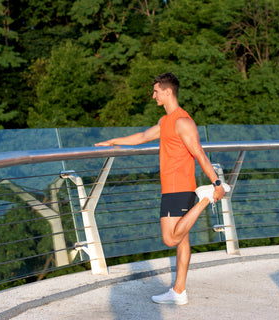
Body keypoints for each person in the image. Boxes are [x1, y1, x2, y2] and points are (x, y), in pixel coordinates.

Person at [95, 72, 229, 305]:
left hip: (178, 188)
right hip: (173, 186)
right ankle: (179, 292)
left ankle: (205, 199)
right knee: (183, 241)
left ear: (168, 92)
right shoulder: (165, 122)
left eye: (156, 91)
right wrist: (113, 141)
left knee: (170, 239)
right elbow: (143, 136)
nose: (153, 95)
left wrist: (216, 183)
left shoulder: (182, 122)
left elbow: (199, 153)